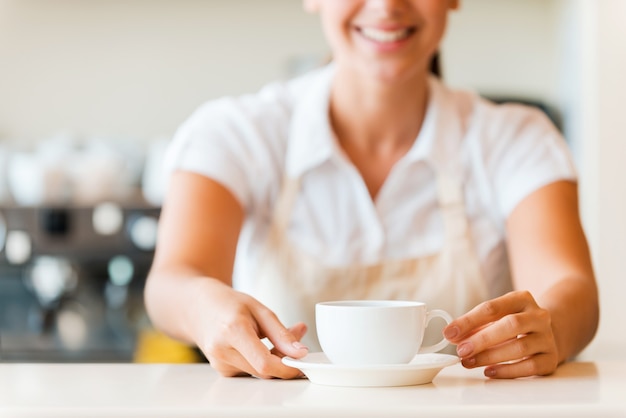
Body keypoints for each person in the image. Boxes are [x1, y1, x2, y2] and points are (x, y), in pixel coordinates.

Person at [144, 0, 599, 380]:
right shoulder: (235, 132)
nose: (386, 6)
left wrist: (550, 325)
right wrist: (200, 303)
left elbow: (568, 288)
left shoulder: (517, 138)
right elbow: (173, 279)